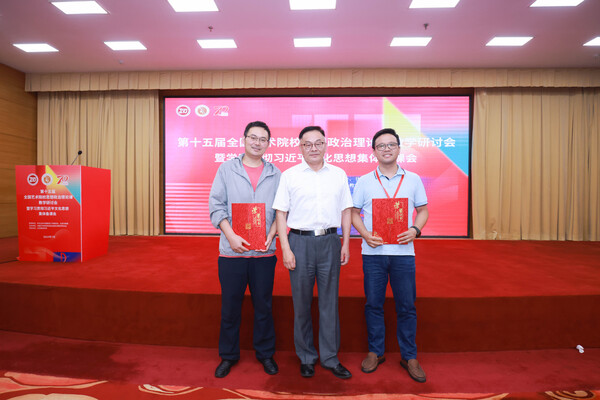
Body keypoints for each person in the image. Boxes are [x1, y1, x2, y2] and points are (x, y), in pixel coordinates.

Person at [272, 125, 353, 380]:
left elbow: (346, 210)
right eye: (307, 144)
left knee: (330, 303)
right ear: (300, 148)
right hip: (299, 242)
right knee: (302, 303)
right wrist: (285, 248)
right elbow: (281, 213)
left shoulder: (338, 174)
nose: (313, 148)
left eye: (318, 143)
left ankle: (330, 357)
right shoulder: (290, 175)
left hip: (330, 241)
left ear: (326, 145)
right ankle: (306, 356)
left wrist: (346, 243)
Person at [351, 128, 429, 383]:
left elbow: (423, 210)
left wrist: (415, 230)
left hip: (403, 254)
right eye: (381, 145)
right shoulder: (364, 181)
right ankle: (376, 352)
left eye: (391, 144)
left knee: (406, 306)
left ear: (398, 148)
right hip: (373, 253)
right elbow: (353, 213)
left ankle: (410, 356)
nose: (386, 149)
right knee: (373, 304)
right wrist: (365, 234)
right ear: (374, 151)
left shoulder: (413, 179)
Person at [208, 121, 281, 378]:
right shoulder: (226, 169)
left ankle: (265, 354)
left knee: (264, 306)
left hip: (264, 253)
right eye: (253, 137)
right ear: (244, 139)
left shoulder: (275, 173)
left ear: (268, 143)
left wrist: (271, 235)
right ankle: (228, 356)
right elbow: (216, 206)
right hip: (232, 253)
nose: (257, 142)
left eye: (263, 139)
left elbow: (282, 210)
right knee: (230, 307)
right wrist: (231, 236)